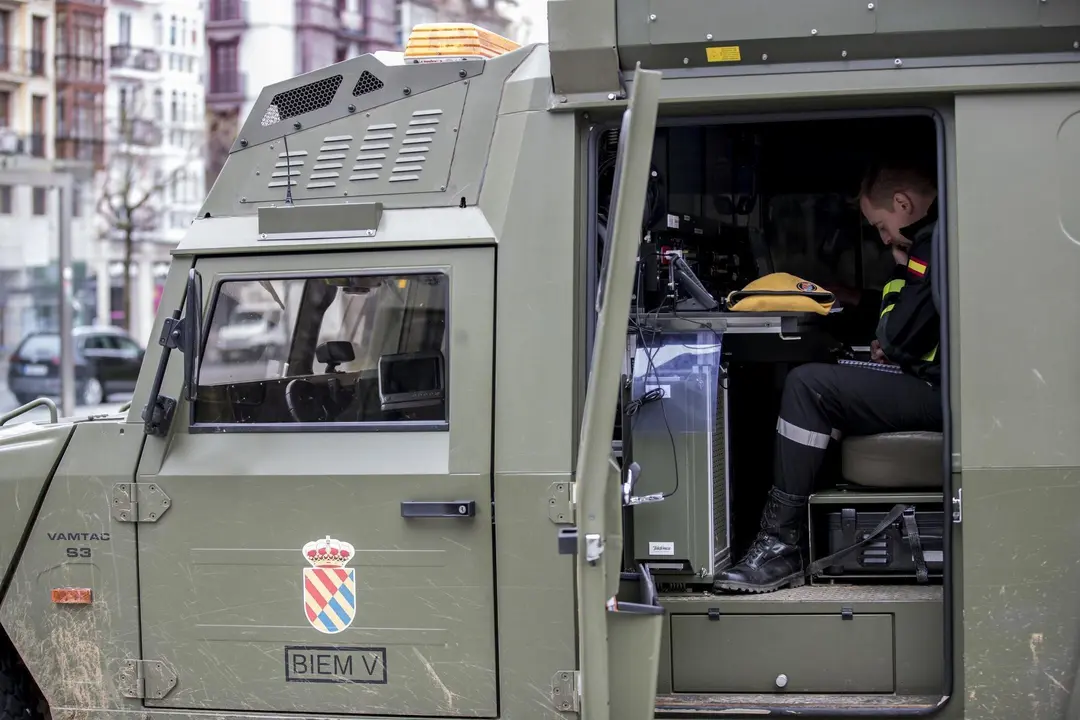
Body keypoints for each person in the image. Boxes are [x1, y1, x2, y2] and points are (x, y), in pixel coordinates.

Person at [713, 161, 943, 594]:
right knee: (827, 378)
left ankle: (782, 547)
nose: (884, 237)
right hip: (947, 387)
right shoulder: (946, 233)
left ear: (902, 203)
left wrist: (899, 269)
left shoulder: (930, 241)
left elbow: (898, 337)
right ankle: (803, 530)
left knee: (808, 386)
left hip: (943, 393)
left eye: (880, 226)